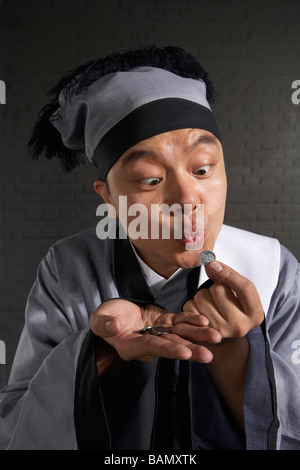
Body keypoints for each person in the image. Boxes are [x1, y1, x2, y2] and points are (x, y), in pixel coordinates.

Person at [0, 45, 299, 451]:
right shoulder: (68, 268)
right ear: (109, 197)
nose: (187, 199)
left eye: (203, 169)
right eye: (149, 179)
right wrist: (101, 353)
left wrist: (236, 353)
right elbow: (15, 425)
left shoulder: (272, 268)